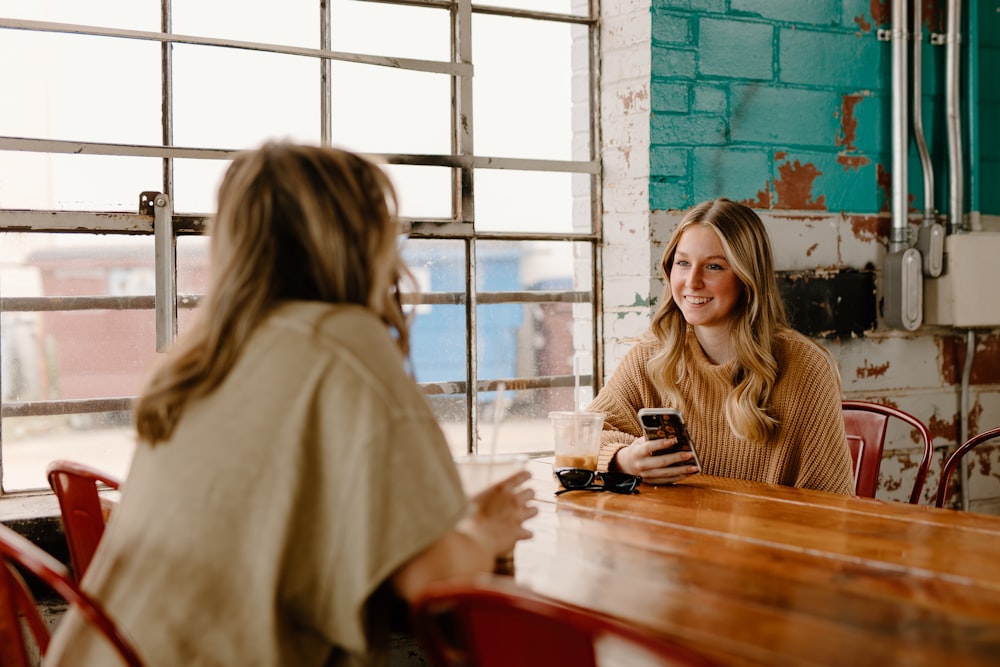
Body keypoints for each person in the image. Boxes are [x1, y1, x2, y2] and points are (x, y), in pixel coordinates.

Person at [44, 142, 537, 666]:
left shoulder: (204, 355)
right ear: (357, 237)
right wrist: (486, 530)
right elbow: (434, 579)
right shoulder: (345, 342)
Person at [588, 198, 854, 494]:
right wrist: (622, 460)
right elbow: (582, 436)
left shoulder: (805, 367)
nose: (692, 281)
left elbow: (834, 506)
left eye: (713, 266)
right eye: (683, 263)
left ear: (747, 278)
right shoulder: (655, 353)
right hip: (674, 537)